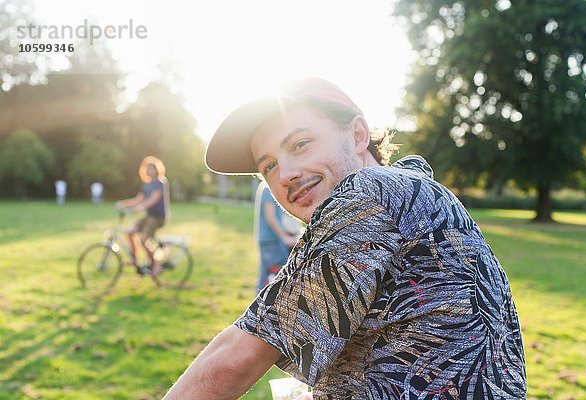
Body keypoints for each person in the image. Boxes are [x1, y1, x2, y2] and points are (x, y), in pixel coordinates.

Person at [163, 78, 526, 399]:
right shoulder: (410, 194)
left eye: (301, 143)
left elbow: (240, 354)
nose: (286, 174)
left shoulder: (369, 196)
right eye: (268, 166)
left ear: (357, 135)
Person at [116, 156, 170, 277]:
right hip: (149, 216)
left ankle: (156, 265)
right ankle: (135, 260)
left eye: (152, 168)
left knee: (143, 239)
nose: (149, 170)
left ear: (157, 170)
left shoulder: (160, 182)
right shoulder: (146, 185)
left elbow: (153, 199)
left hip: (158, 217)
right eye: (147, 168)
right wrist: (123, 203)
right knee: (130, 232)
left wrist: (139, 208)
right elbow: (138, 199)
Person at [254, 180, 299, 293]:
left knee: (270, 275)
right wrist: (284, 237)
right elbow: (270, 217)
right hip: (271, 240)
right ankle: (262, 307)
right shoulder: (267, 188)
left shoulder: (270, 187)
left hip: (273, 240)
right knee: (271, 277)